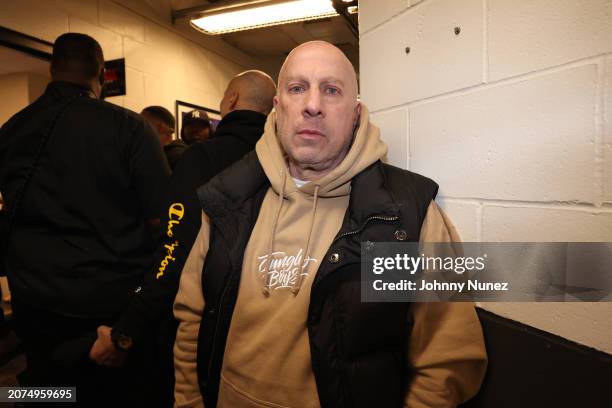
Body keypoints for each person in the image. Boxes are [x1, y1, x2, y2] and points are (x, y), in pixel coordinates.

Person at [172, 41, 488, 408]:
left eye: (332, 90)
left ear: (355, 113)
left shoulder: (404, 216)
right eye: (296, 88)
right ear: (277, 108)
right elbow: (192, 321)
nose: (312, 105)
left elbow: (448, 361)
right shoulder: (228, 199)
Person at [0, 33, 170, 406]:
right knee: (112, 396)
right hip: (106, 314)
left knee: (45, 392)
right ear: (102, 73)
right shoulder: (129, 128)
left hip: (32, 305)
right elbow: (165, 224)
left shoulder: (11, 130)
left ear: (52, 67)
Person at [89, 70, 276, 405]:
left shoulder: (202, 158)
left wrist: (127, 331)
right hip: (267, 329)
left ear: (230, 101)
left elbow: (174, 253)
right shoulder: (289, 161)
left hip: (202, 328)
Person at [141, 105, 182, 170]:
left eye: (143, 124)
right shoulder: (156, 153)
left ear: (161, 128)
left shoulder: (177, 158)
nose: (139, 129)